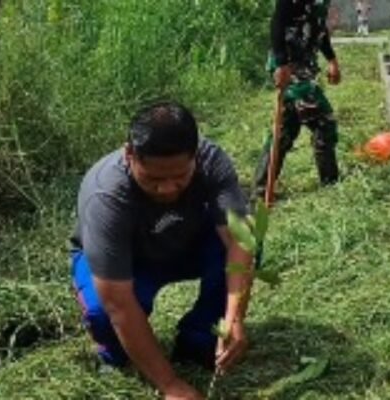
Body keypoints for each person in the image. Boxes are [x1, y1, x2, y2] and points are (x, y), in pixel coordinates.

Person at [70, 101, 254, 399]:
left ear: (195, 156)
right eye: (153, 178)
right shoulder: (106, 195)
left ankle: (199, 338)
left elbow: (239, 240)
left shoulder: (212, 161)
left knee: (248, 242)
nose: (167, 188)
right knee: (103, 313)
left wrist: (234, 316)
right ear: (129, 155)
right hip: (127, 263)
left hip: (185, 244)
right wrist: (169, 385)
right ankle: (113, 351)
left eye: (180, 177)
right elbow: (118, 302)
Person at [254, 0, 342, 198]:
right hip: (289, 66)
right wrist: (281, 64)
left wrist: (332, 59)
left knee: (287, 127)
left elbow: (319, 28)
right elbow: (277, 22)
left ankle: (261, 189)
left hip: (304, 66)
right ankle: (331, 183)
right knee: (323, 121)